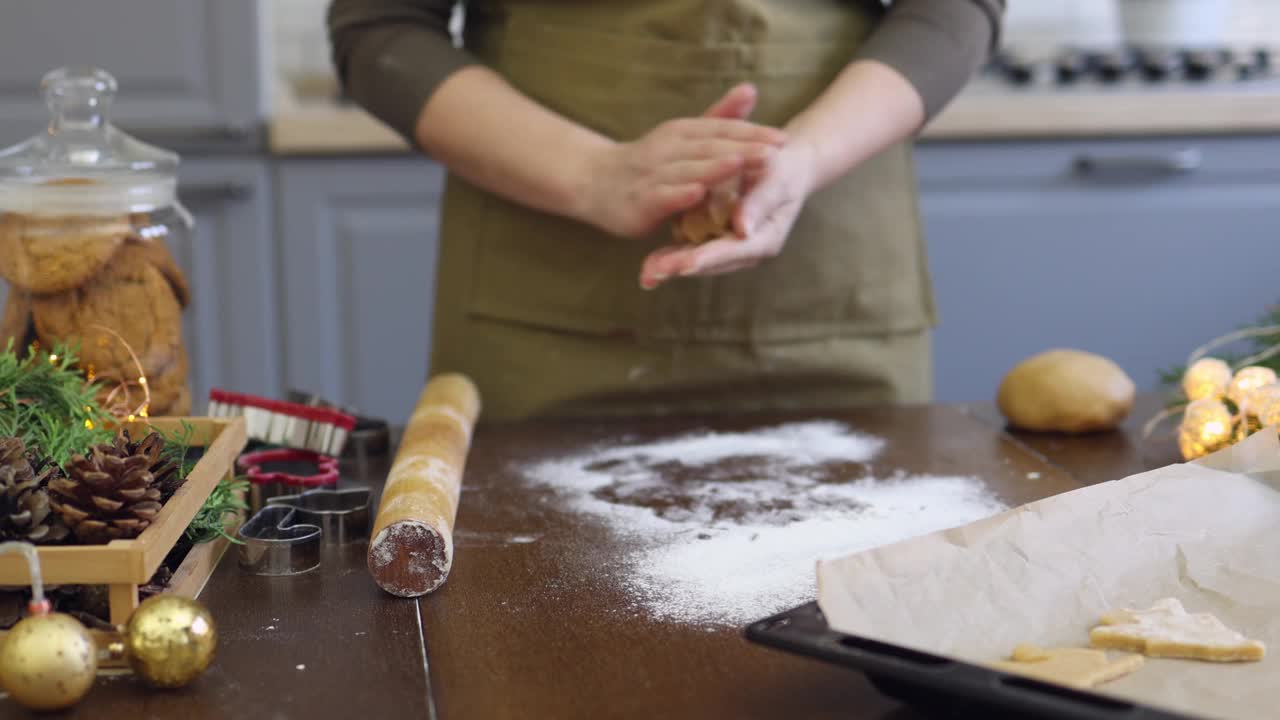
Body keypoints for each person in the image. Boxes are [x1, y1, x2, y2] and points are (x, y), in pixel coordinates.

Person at [328, 0, 1005, 421]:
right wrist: (592, 174)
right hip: (542, 314)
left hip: (834, 297)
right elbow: (379, 28)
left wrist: (809, 154)